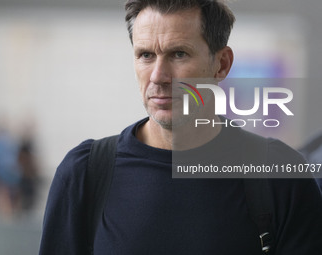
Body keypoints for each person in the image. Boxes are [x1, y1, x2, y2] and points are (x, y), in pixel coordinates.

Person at [39, 0, 322, 254]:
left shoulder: (280, 176)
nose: (159, 76)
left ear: (221, 65)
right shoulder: (85, 174)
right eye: (146, 55)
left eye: (179, 54)